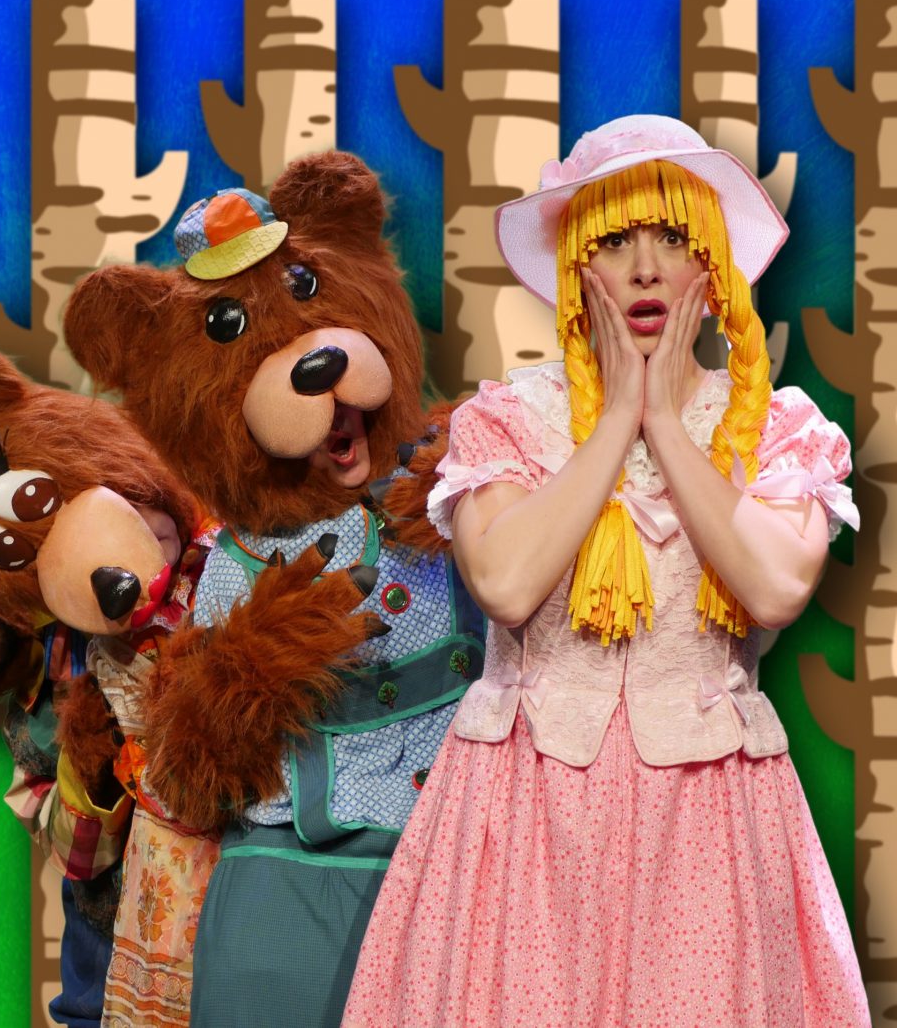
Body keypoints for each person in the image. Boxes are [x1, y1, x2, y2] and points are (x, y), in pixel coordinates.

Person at [341, 115, 869, 1027]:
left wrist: (666, 423)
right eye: (617, 241)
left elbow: (774, 587)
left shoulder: (778, 428)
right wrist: (618, 415)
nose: (646, 268)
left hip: (707, 820)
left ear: (712, 265)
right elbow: (506, 585)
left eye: (673, 237)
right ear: (577, 266)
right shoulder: (507, 420)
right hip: (525, 814)